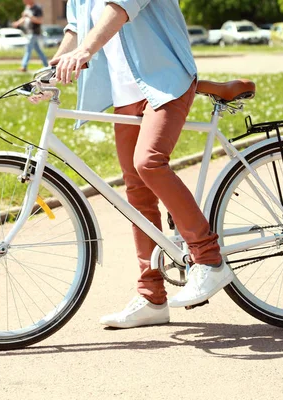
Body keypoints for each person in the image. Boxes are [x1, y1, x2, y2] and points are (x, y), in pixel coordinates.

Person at [50, 0, 234, 329]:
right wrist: (54, 68)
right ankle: (152, 296)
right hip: (126, 92)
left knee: (149, 163)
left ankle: (208, 258)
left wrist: (85, 52)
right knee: (136, 188)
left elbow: (119, 9)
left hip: (165, 81)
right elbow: (77, 27)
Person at [12, 0, 48, 72]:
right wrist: (17, 23)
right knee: (38, 50)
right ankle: (47, 65)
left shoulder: (37, 8)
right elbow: (24, 18)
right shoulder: (27, 8)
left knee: (28, 48)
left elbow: (40, 20)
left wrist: (30, 16)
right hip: (28, 32)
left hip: (34, 32)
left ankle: (24, 66)